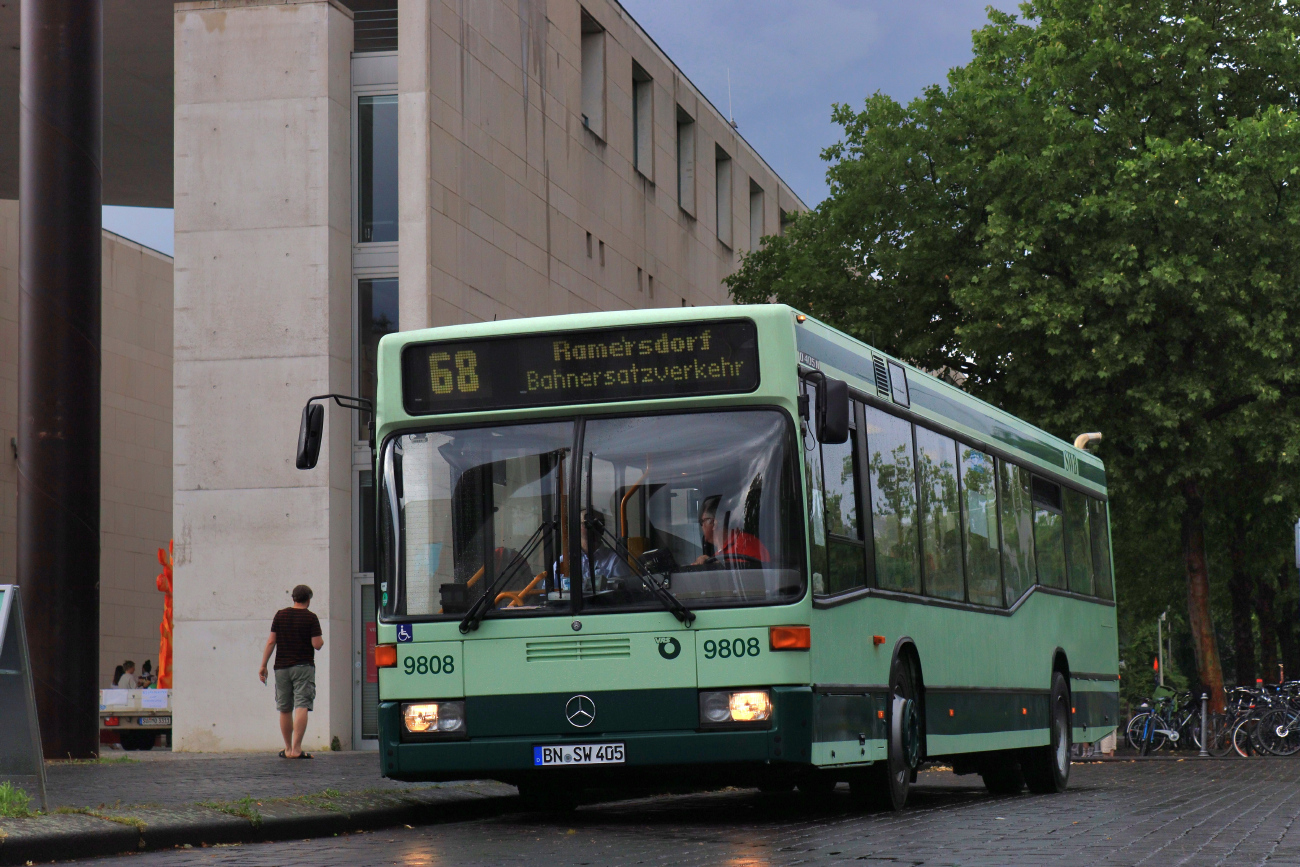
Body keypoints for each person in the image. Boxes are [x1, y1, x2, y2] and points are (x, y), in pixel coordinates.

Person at [258, 584, 323, 759]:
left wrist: (263, 665)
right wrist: (320, 641)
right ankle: (296, 749)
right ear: (308, 599)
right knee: (301, 705)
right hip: (303, 667)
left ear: (293, 598)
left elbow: (271, 641)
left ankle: (287, 749)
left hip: (281, 667)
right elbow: (317, 644)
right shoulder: (311, 617)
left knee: (285, 708)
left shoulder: (280, 615)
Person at [553, 510, 632, 592]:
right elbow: (548, 592)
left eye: (598, 523)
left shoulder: (615, 560)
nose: (592, 527)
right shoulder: (564, 561)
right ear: (577, 527)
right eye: (587, 522)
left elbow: (624, 593)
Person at [693, 495, 770, 565]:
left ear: (714, 523)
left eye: (702, 521)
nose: (702, 526)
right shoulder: (717, 555)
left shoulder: (747, 545)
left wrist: (719, 565)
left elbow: (756, 573)